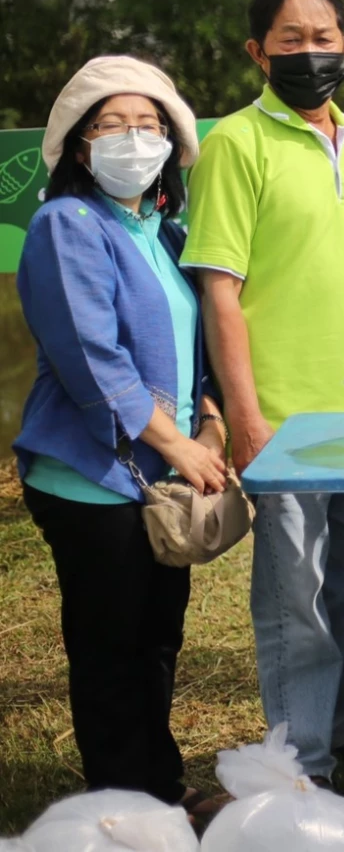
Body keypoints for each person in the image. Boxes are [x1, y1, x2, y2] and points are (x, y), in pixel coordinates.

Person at [181, 0, 344, 786]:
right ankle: (297, 764)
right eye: (288, 41)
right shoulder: (236, 144)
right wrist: (245, 412)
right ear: (256, 53)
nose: (308, 53)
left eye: (321, 39)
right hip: (284, 418)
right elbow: (220, 291)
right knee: (294, 603)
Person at [15, 56, 228, 825]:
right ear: (80, 146)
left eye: (148, 125)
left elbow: (188, 344)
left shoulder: (167, 232)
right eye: (112, 125)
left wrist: (210, 419)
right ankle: (124, 798)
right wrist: (179, 447)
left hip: (158, 473)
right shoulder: (64, 226)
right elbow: (90, 356)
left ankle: (158, 785)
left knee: (157, 635)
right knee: (110, 647)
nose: (133, 139)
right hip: (91, 478)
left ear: (170, 143)